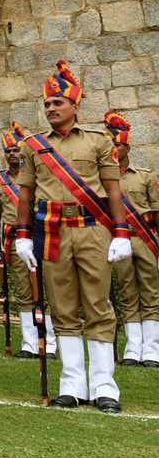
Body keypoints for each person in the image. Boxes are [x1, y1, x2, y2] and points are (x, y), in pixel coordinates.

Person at [14, 61, 130, 413]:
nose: (50, 108)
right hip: (51, 233)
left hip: (93, 230)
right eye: (47, 104)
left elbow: (113, 190)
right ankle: (73, 385)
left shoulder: (99, 141)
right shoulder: (33, 146)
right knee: (62, 309)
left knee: (98, 307)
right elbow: (25, 194)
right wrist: (22, 237)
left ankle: (104, 386)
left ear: (75, 107)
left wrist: (121, 232)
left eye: (57, 103)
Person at [0, 122, 55, 358]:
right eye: (8, 151)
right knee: (23, 292)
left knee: (45, 290)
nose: (12, 154)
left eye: (16, 149)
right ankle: (29, 343)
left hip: (39, 237)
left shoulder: (39, 174)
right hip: (15, 240)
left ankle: (50, 344)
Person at [104, 112, 159, 368]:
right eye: (111, 145)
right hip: (119, 239)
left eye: (118, 145)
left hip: (145, 239)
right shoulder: (103, 177)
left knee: (151, 293)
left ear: (128, 147)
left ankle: (152, 349)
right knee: (127, 293)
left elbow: (156, 211)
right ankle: (133, 348)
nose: (115, 149)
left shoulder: (145, 176)